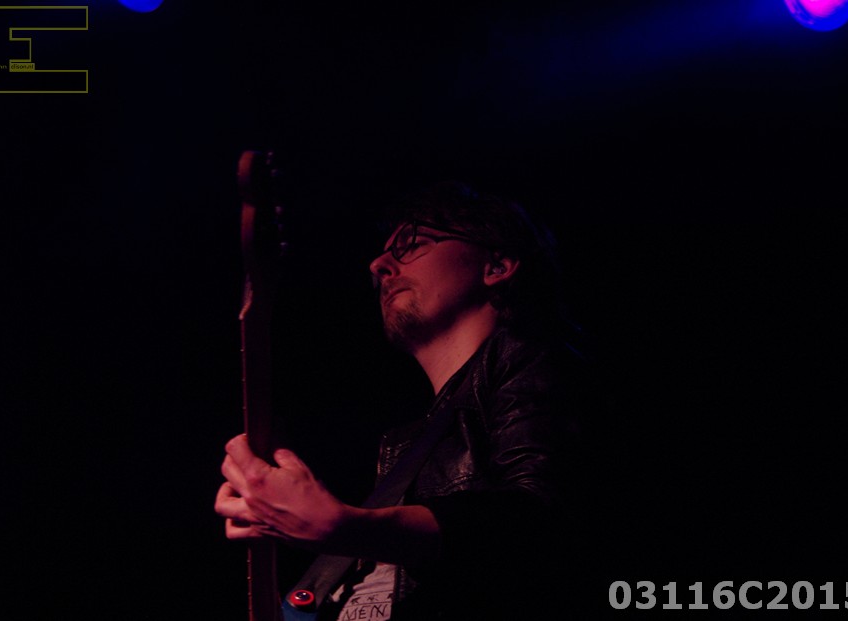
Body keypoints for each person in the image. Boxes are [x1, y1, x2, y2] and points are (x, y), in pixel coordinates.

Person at [215, 180, 591, 620]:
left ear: (497, 266)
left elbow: (539, 520)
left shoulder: (541, 360)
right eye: (383, 254)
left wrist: (343, 526)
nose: (378, 265)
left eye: (412, 244)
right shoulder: (414, 446)